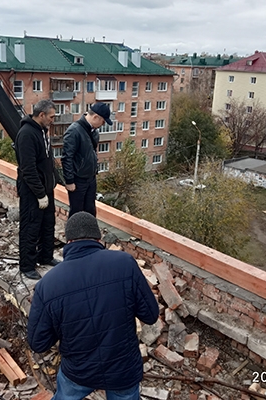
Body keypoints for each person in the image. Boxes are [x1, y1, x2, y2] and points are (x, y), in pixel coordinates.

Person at [27, 212, 159, 400]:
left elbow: (38, 343)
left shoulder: (48, 284)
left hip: (79, 371)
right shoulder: (125, 264)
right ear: (98, 238)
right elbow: (151, 315)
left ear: (68, 241)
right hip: (122, 369)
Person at [13, 99, 62, 280]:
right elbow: (28, 169)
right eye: (51, 117)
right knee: (31, 227)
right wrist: (40, 194)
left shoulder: (42, 131)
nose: (52, 120)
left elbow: (46, 160)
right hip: (32, 191)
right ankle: (27, 265)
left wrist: (53, 181)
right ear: (41, 115)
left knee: (48, 224)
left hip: (46, 188)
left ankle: (45, 256)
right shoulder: (27, 134)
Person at [62, 102, 112, 217]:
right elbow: (66, 158)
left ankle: (89, 235)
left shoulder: (94, 132)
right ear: (96, 117)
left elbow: (92, 153)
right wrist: (69, 181)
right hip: (78, 180)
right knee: (77, 213)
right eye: (103, 121)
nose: (102, 124)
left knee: (90, 211)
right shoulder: (74, 131)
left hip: (90, 179)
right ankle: (75, 235)